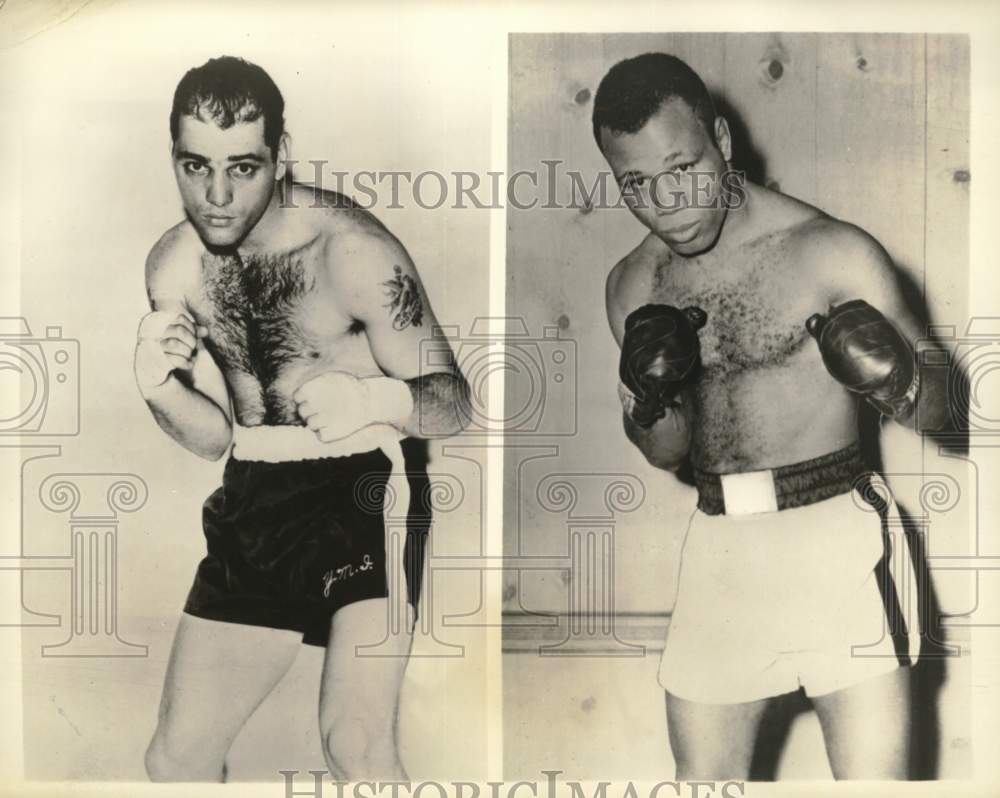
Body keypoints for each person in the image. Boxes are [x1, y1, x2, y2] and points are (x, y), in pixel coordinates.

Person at [595, 52, 950, 780]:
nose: (668, 202)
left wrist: (901, 380)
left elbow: (949, 415)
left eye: (683, 167)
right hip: (720, 550)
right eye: (637, 182)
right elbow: (668, 453)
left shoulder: (830, 252)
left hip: (837, 540)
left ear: (722, 140)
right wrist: (651, 402)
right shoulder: (634, 284)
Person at [134, 55, 470, 782]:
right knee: (175, 762)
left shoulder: (352, 253)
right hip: (257, 488)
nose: (217, 195)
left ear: (281, 155)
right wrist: (160, 391)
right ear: (175, 158)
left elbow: (453, 402)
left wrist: (376, 401)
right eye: (196, 167)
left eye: (244, 169)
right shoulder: (174, 267)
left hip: (365, 490)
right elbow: (216, 439)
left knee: (355, 742)